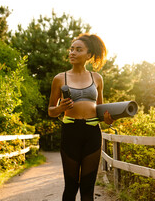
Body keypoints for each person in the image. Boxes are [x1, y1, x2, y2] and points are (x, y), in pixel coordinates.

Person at [48, 33, 114, 201]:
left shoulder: (97, 78)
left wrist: (108, 119)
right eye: (71, 49)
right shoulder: (59, 78)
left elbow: (100, 109)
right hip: (70, 131)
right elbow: (50, 111)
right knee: (70, 187)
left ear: (89, 55)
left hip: (92, 133)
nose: (73, 53)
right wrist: (60, 108)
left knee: (87, 188)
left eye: (78, 50)